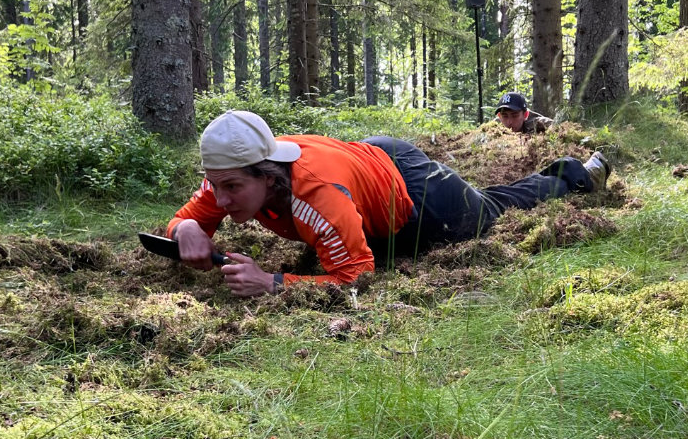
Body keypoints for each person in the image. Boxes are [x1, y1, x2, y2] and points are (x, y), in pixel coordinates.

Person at [168, 110, 610, 298]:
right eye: (214, 186)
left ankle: (576, 173)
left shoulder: (316, 198)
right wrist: (185, 228)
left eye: (231, 189)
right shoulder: (232, 173)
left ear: (268, 176)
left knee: (488, 211)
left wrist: (273, 282)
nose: (220, 201)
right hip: (367, 159)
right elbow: (185, 220)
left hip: (416, 193)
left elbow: (357, 275)